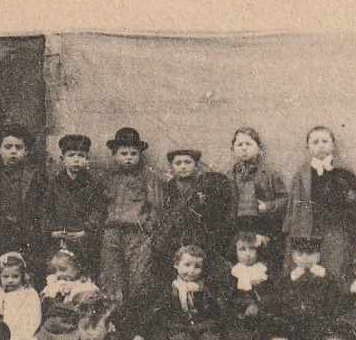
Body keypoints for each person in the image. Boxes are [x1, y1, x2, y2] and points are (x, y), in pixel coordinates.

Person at [284, 125, 356, 279]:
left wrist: (349, 196)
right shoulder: (301, 175)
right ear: (307, 147)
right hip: (308, 231)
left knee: (334, 270)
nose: (320, 145)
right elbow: (293, 207)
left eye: (325, 141)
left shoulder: (344, 173)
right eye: (315, 142)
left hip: (335, 231)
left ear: (333, 145)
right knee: (308, 272)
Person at [99, 127, 167, 306]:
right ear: (114, 155)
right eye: (123, 153)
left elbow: (156, 206)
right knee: (111, 274)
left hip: (137, 233)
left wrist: (149, 227)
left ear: (140, 155)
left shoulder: (148, 178)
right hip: (113, 232)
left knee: (139, 275)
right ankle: (113, 319)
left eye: (133, 153)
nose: (129, 157)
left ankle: (137, 318)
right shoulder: (108, 178)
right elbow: (101, 204)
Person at [153, 147, 237, 285]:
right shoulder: (169, 188)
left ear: (196, 165)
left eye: (188, 162)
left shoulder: (204, 185)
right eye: (178, 163)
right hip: (176, 236)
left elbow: (213, 215)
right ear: (171, 167)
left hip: (199, 235)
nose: (183, 167)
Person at [0, 125, 45, 288]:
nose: (13, 151)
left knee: (25, 277)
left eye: (19, 147)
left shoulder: (35, 176)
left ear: (27, 151)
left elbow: (42, 208)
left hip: (25, 235)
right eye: (8, 147)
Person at [46, 134, 105, 274]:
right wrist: (53, 231)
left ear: (87, 159)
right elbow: (46, 209)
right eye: (71, 155)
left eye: (81, 156)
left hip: (83, 239)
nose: (76, 160)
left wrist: (86, 230)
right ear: (62, 159)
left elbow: (98, 210)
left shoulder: (93, 185)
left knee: (83, 273)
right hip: (60, 239)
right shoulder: (54, 185)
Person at [224, 126, 289, 254]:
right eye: (239, 144)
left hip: (262, 224)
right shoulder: (229, 175)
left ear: (259, 149)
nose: (244, 148)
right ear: (232, 149)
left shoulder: (269, 173)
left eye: (248, 144)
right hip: (238, 225)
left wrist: (268, 206)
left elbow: (284, 199)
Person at [0, 252, 42, 340]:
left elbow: (34, 318)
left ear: (22, 276)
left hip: (22, 338)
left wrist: (25, 336)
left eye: (15, 276)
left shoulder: (29, 294)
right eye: (5, 276)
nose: (10, 280)